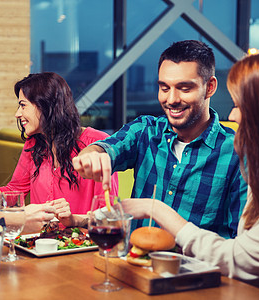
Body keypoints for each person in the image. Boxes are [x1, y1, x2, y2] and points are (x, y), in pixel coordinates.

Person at [121, 47, 259, 295]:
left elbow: (239, 257)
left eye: (240, 105)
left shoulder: (238, 155)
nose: (232, 114)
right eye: (164, 87)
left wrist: (157, 209)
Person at [73, 40, 247, 238]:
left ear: (210, 87)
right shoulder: (145, 130)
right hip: (134, 264)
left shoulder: (238, 152)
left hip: (196, 268)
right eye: (164, 88)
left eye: (184, 88)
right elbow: (105, 148)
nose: (171, 99)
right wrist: (91, 155)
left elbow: (239, 242)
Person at [0, 72, 119, 229]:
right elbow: (13, 195)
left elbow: (107, 213)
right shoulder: (33, 144)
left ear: (44, 105)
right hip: (41, 244)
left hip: (81, 245)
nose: (17, 114)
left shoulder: (97, 144)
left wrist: (74, 219)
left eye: (23, 105)